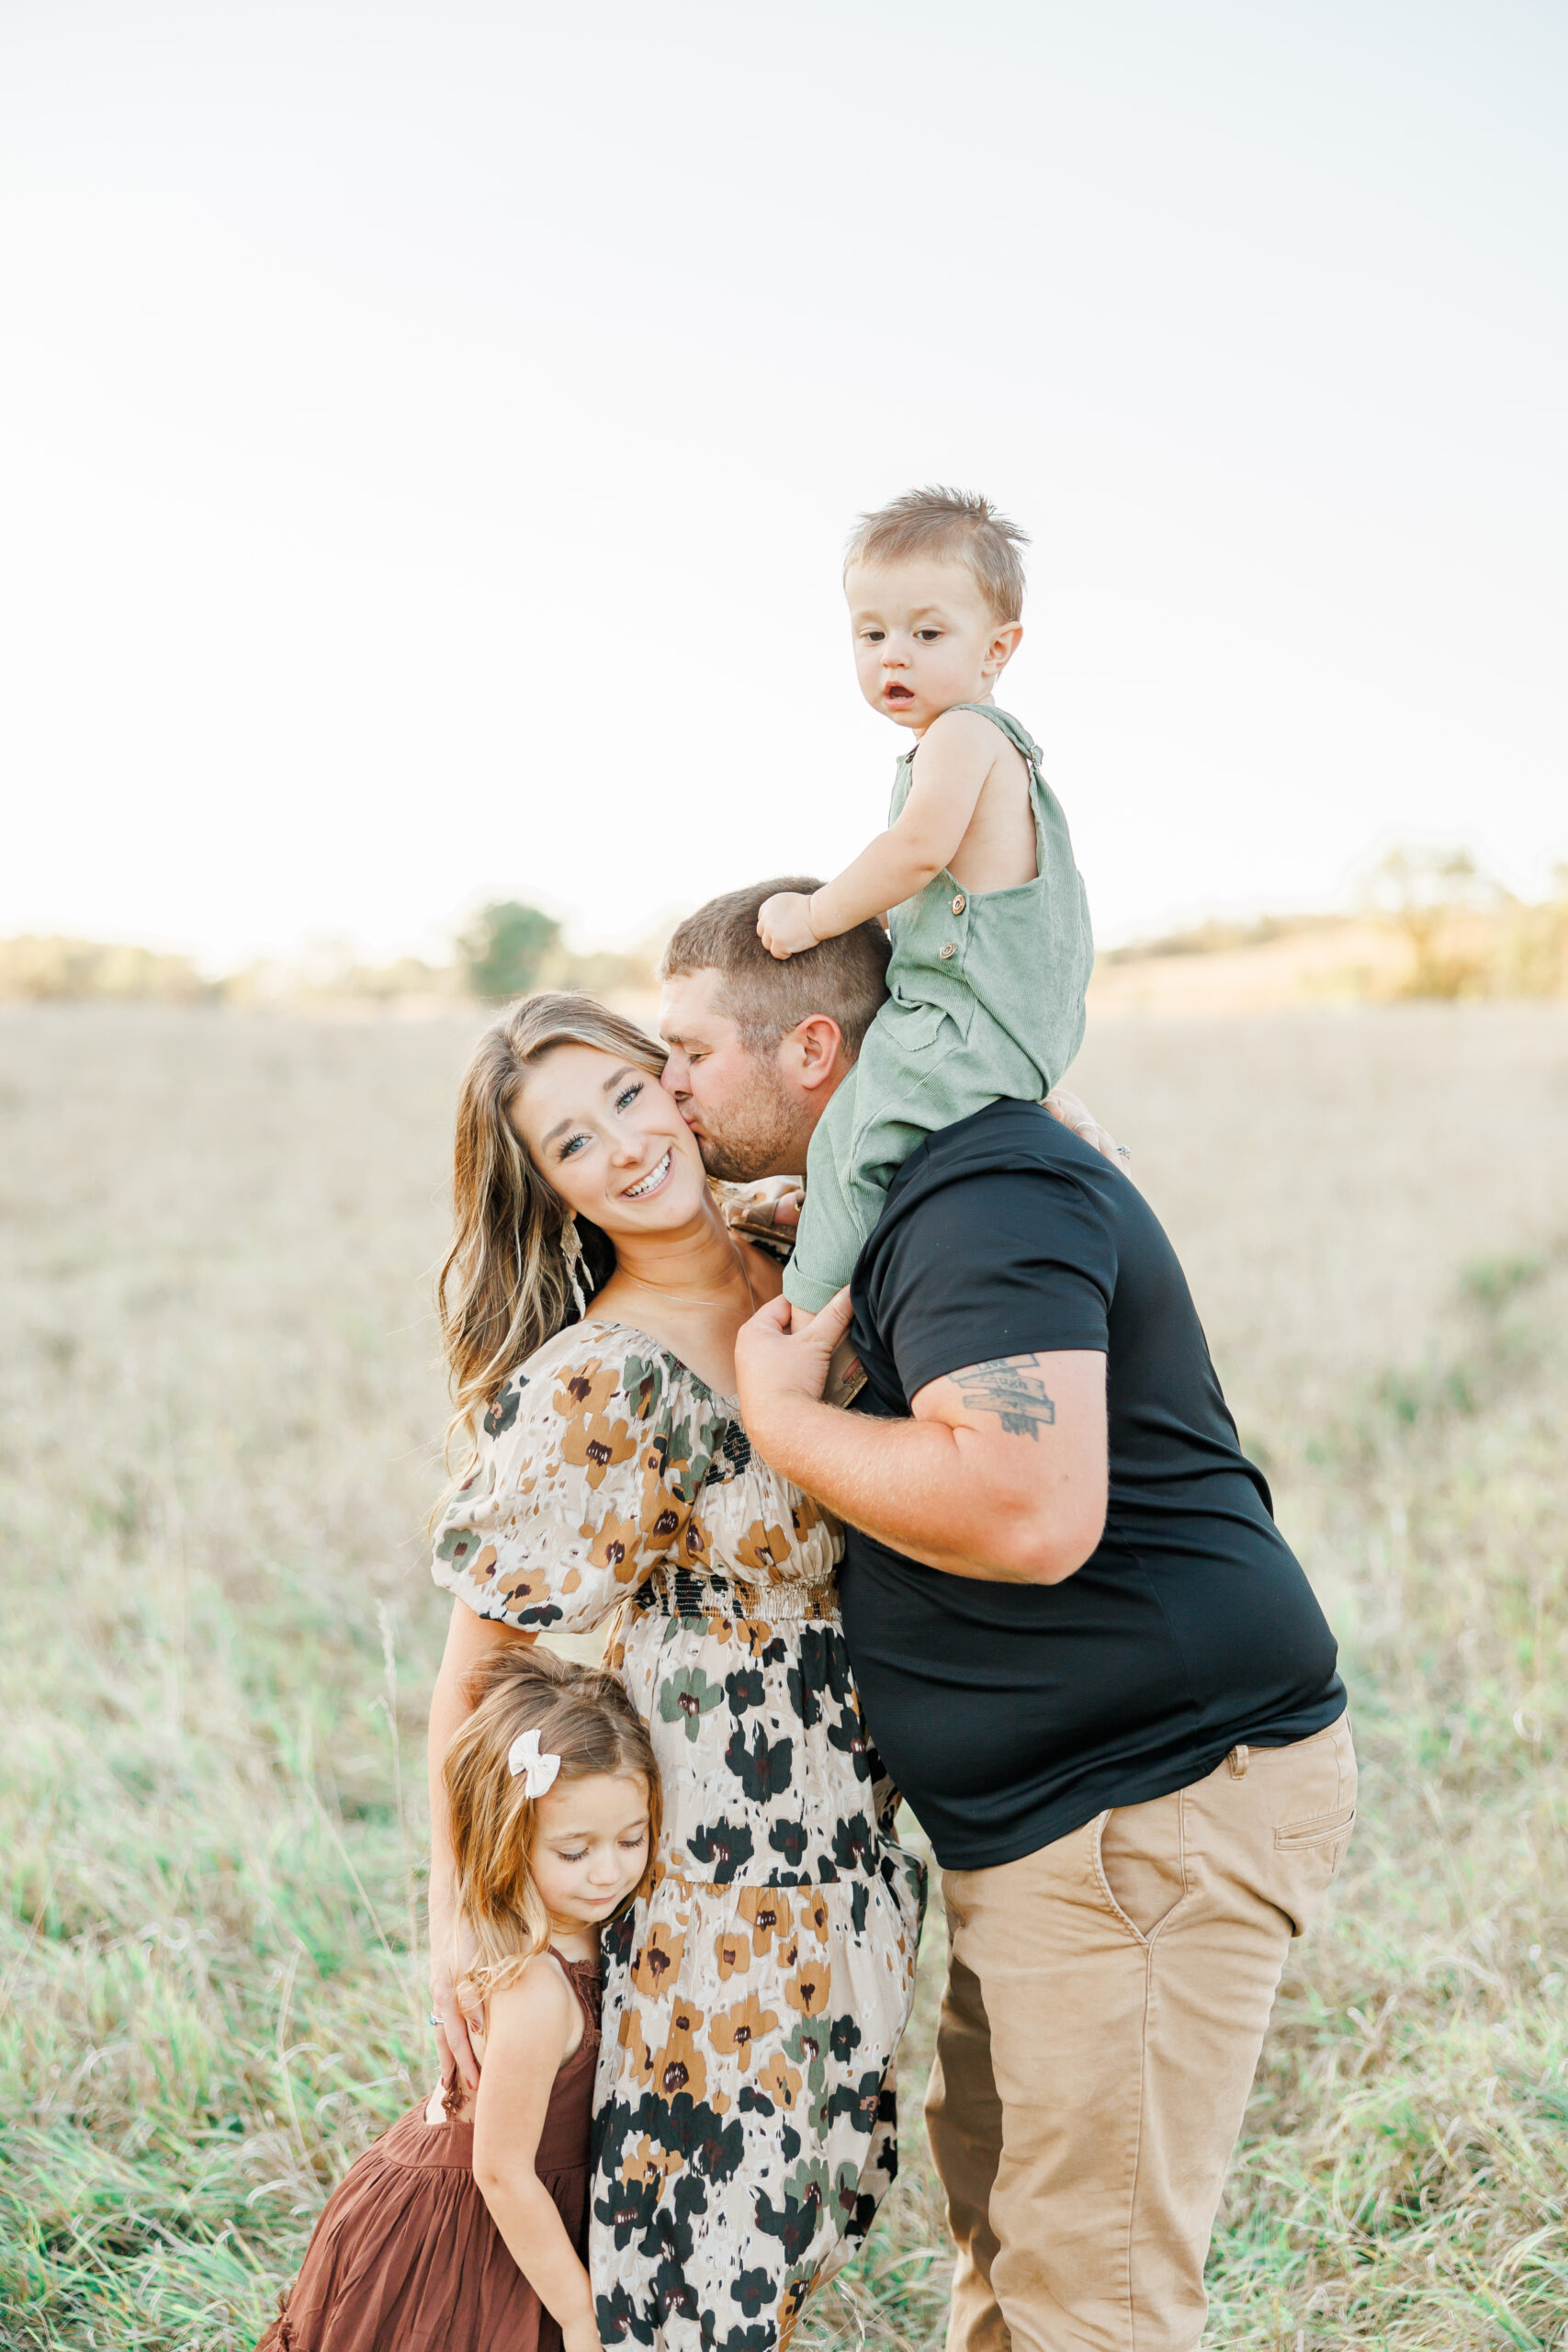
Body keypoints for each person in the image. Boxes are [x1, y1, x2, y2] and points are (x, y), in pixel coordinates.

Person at [658, 885, 1356, 2352]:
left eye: (686, 1057)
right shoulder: (890, 1184)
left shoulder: (976, 1197)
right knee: (1010, 2242)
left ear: (809, 1053)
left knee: (1088, 2301)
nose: (665, 1091)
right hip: (1058, 1828)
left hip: (1145, 1812)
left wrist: (778, 1423)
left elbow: (1029, 1510)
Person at [424, 994, 923, 2352]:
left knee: (796, 2233)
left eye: (630, 1098)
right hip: (712, 1880)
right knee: (698, 2269)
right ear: (555, 1195)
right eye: (573, 1145)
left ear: (676, 1083)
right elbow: (476, 1675)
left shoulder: (797, 1242)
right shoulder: (602, 1380)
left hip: (853, 1852)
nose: (628, 1149)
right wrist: (461, 1930)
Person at [752, 485, 1094, 1312]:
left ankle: (810, 1317)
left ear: (996, 649)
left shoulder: (962, 734)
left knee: (849, 1137)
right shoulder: (980, 746)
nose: (891, 656)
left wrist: (814, 916)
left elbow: (914, 852)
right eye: (870, 635)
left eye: (925, 632)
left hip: (968, 1020)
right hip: (1008, 1018)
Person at [260, 1646, 656, 2352]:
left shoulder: (600, 1934)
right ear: (508, 1840)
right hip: (466, 2225)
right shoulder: (537, 1987)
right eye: (574, 1851)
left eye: (631, 1838)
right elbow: (501, 2170)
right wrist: (577, 2314)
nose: (609, 1870)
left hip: (523, 2210)